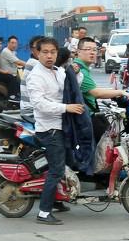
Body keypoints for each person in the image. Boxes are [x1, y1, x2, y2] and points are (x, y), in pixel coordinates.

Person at [23, 37, 85, 226]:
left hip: (62, 126)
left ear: (57, 53)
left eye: (52, 52)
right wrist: (67, 108)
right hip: (49, 129)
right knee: (56, 170)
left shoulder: (58, 72)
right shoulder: (36, 76)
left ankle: (57, 200)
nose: (49, 56)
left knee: (66, 164)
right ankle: (43, 212)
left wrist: (77, 71)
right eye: (45, 52)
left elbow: (74, 84)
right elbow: (39, 104)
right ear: (37, 53)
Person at [17, 35, 43, 121]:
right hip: (32, 110)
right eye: (38, 47)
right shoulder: (35, 64)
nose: (42, 50)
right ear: (32, 50)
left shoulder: (37, 63)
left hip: (33, 108)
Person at [0, 35, 23, 100]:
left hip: (11, 73)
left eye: (15, 43)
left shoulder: (12, 52)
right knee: (15, 80)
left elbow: (16, 61)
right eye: (12, 43)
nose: (14, 45)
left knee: (20, 81)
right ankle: (12, 96)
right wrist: (30, 65)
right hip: (7, 74)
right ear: (8, 43)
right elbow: (18, 62)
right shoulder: (6, 51)